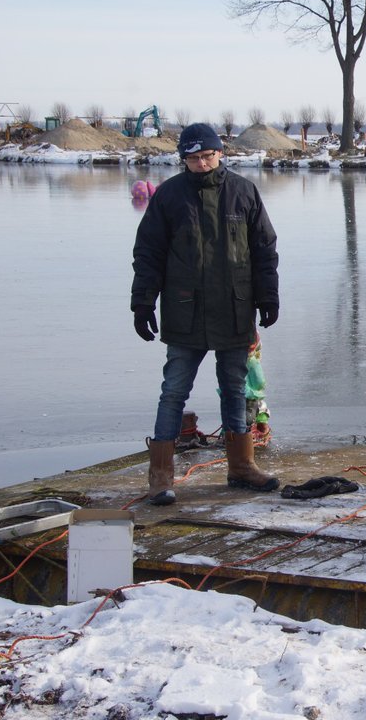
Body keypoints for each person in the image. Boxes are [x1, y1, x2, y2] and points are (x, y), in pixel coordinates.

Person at [131, 122, 280, 506]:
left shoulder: (243, 192)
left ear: (220, 154)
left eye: (207, 156)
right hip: (185, 310)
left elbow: (264, 250)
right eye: (193, 158)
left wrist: (268, 297)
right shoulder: (169, 197)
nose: (201, 163)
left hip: (234, 308)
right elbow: (148, 253)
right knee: (174, 391)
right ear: (184, 159)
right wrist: (143, 302)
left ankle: (242, 466)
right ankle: (160, 477)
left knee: (234, 389)